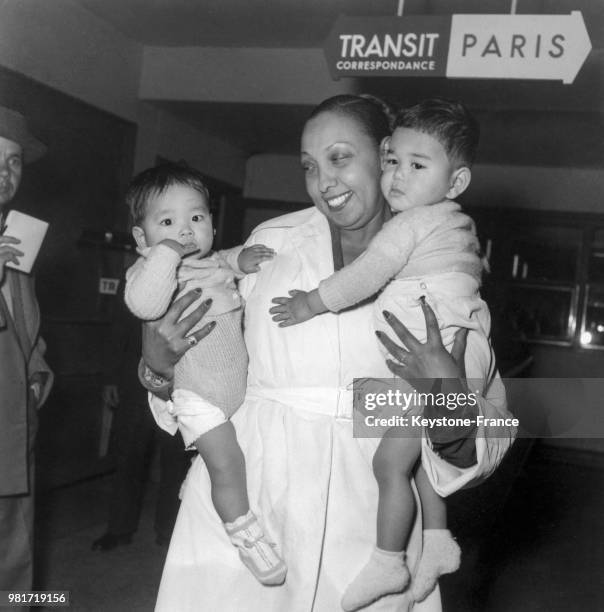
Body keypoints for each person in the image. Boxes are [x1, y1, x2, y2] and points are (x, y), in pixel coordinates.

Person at [140, 95, 514, 611]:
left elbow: (491, 421)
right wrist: (158, 370)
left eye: (340, 158)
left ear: (386, 153)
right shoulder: (272, 243)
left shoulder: (445, 266)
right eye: (310, 167)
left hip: (372, 509)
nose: (324, 182)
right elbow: (204, 359)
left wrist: (446, 408)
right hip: (253, 493)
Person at [271, 98, 490, 608]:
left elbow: (366, 277)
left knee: (391, 465)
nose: (397, 176)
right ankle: (436, 540)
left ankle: (389, 561)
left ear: (455, 183)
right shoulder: (456, 229)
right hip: (286, 492)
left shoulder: (409, 228)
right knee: (410, 462)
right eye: (396, 162)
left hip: (419, 386)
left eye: (342, 157)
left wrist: (310, 302)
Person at [123, 163, 285, 585]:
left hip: (235, 387)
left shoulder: (208, 260)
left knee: (229, 463)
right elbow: (144, 305)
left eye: (196, 218)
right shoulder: (151, 271)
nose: (185, 231)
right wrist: (165, 254)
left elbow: (221, 262)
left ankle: (204, 488)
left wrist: (240, 259)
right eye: (167, 222)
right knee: (229, 464)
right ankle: (244, 533)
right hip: (198, 392)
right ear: (142, 238)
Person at [92, 279, 190, 551]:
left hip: (178, 384)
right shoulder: (137, 276)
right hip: (134, 383)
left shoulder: (196, 274)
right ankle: (119, 529)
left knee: (175, 461)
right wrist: (110, 377)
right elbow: (117, 329)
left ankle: (168, 531)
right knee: (128, 459)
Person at [0, 106, 53, 591]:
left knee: (15, 563)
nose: (4, 173)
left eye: (13, 161)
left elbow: (25, 329)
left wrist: (36, 374)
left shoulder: (16, 241)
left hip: (14, 427)